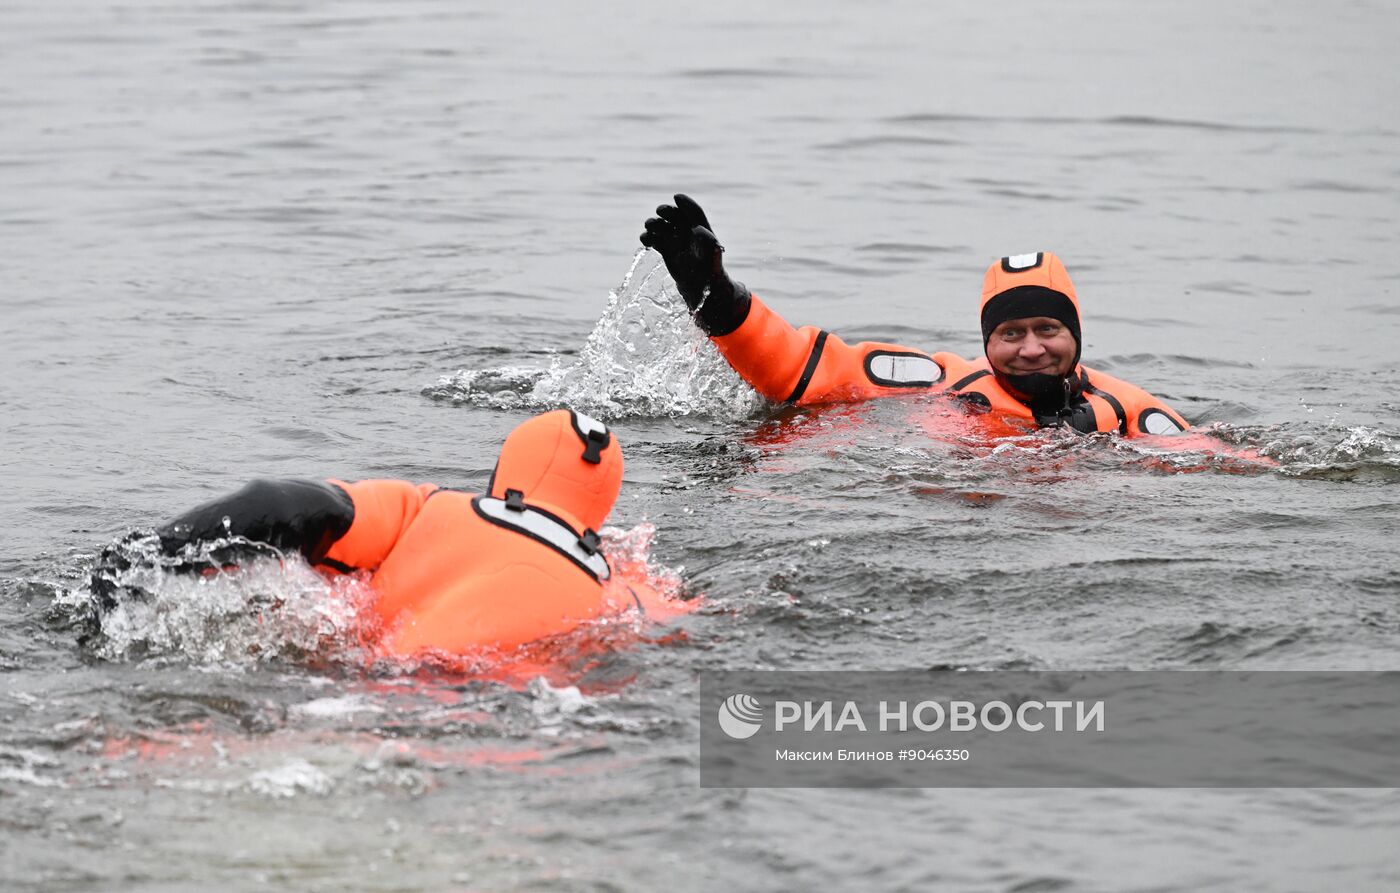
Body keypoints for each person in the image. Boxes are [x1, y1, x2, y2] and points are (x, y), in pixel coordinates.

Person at [91, 409, 653, 656]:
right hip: (528, 711)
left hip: (384, 688)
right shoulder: (628, 585)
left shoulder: (429, 508)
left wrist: (142, 562)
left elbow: (281, 505)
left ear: (501, 474)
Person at [640, 195, 1189, 436]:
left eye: (1048, 329)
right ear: (986, 341)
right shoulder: (942, 382)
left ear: (1076, 333)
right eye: (1010, 333)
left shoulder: (1132, 412)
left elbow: (1217, 468)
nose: (1031, 348)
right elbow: (796, 368)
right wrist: (714, 293)